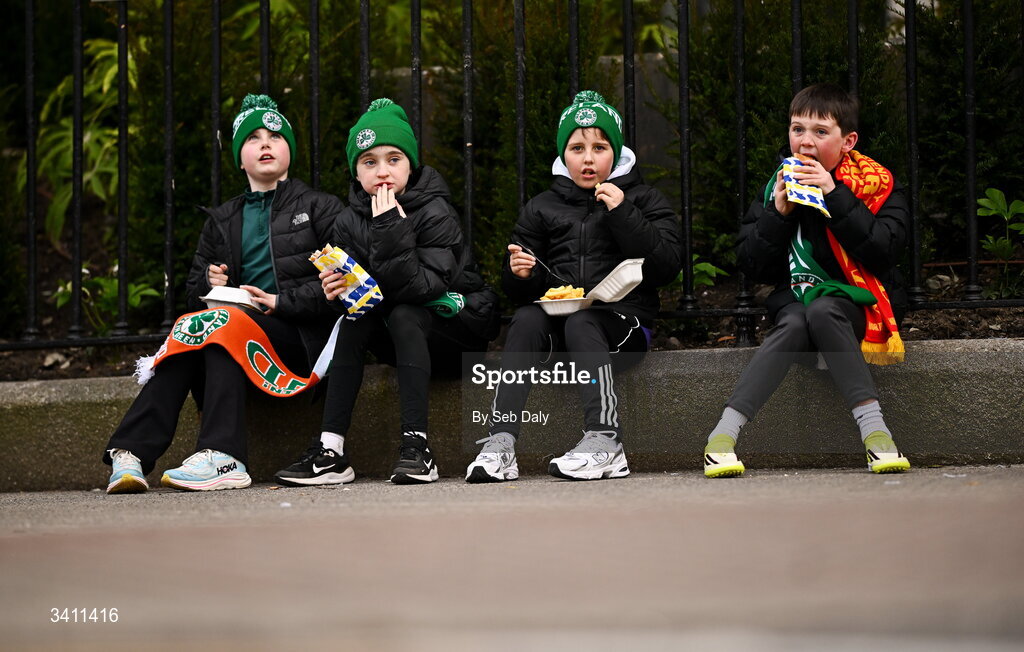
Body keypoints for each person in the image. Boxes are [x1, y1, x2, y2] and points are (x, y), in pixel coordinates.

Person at [103, 93, 342, 493]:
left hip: (299, 341)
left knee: (222, 325)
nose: (265, 143)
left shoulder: (321, 207)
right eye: (253, 138)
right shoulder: (222, 219)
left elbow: (341, 288)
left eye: (275, 136)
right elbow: (193, 292)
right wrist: (210, 285)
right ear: (239, 156)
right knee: (198, 323)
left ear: (289, 151)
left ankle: (223, 455)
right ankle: (131, 457)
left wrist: (279, 302)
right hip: (233, 338)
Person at [274, 98, 499, 486]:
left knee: (404, 312)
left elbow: (420, 288)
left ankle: (417, 448)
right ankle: (332, 452)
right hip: (402, 339)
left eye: (394, 159)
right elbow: (366, 292)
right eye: (369, 162)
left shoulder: (434, 212)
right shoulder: (346, 222)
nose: (382, 171)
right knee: (354, 319)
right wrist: (337, 288)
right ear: (356, 172)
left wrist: (389, 226)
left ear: (411, 164)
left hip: (454, 332)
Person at [465, 90, 682, 482]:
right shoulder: (542, 206)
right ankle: (500, 443)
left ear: (616, 153)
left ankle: (606, 441)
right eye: (577, 147)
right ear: (563, 155)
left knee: (585, 322)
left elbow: (666, 267)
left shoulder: (642, 199)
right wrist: (520, 273)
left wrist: (623, 211)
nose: (587, 158)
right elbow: (515, 291)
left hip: (625, 326)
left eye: (599, 147)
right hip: (561, 326)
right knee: (528, 318)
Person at [702, 83, 912, 478]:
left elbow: (884, 251)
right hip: (797, 305)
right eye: (797, 129)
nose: (805, 141)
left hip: (857, 307)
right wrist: (777, 214)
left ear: (847, 140)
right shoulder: (777, 185)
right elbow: (752, 265)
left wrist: (835, 194)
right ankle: (722, 438)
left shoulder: (878, 184)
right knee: (800, 317)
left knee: (824, 308)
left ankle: (876, 434)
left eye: (820, 132)